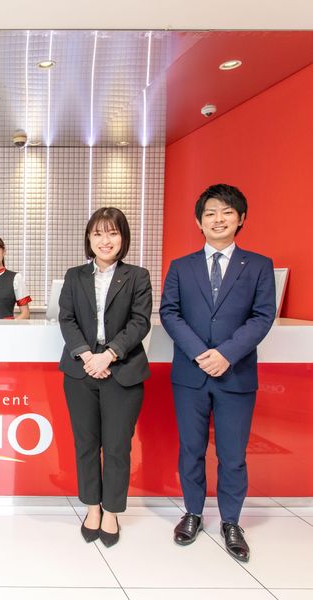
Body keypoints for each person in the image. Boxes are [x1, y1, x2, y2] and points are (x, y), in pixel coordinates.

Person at [160, 184, 275, 562]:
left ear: (241, 219)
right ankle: (192, 513)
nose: (218, 219)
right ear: (199, 221)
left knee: (233, 454)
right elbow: (169, 313)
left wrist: (226, 354)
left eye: (226, 212)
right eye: (210, 213)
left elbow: (262, 316)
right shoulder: (181, 266)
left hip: (235, 374)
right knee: (191, 449)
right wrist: (199, 353)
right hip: (190, 375)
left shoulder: (258, 265)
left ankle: (231, 521)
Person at [58, 207, 152, 548]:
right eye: (98, 233)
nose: (105, 240)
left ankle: (111, 511)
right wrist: (87, 355)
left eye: (112, 233)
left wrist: (109, 354)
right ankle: (92, 508)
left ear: (123, 237)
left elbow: (140, 322)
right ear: (89, 238)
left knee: (116, 446)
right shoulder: (74, 276)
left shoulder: (137, 276)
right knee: (86, 444)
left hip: (122, 370)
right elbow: (67, 319)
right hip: (81, 370)